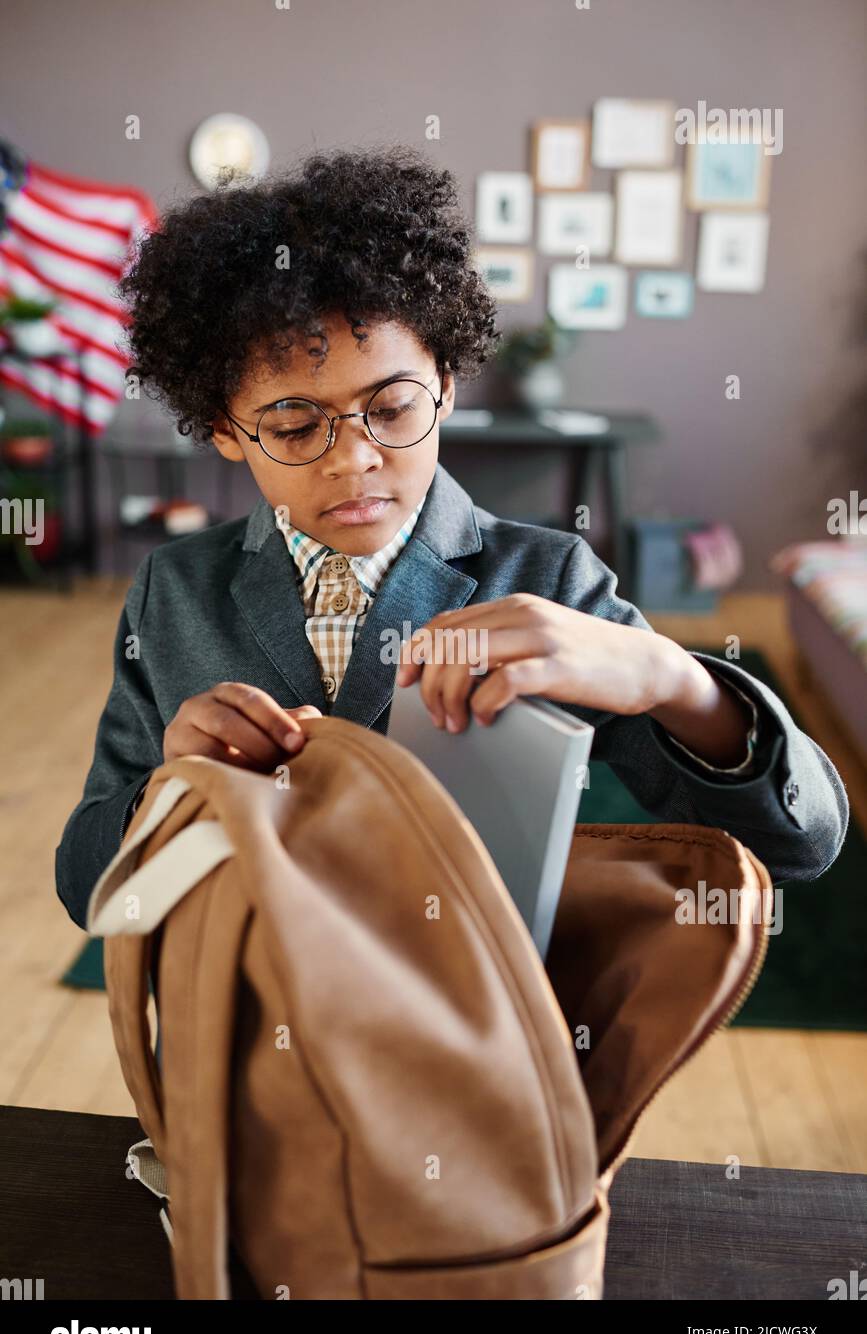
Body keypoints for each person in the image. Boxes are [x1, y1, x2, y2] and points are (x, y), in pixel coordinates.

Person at [56, 145, 847, 930]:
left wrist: (671, 679)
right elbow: (90, 889)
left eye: (393, 408)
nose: (354, 457)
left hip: (481, 1026)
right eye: (295, 427)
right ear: (225, 431)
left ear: (444, 383)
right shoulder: (175, 590)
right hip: (243, 1032)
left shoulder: (548, 581)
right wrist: (171, 796)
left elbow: (797, 847)